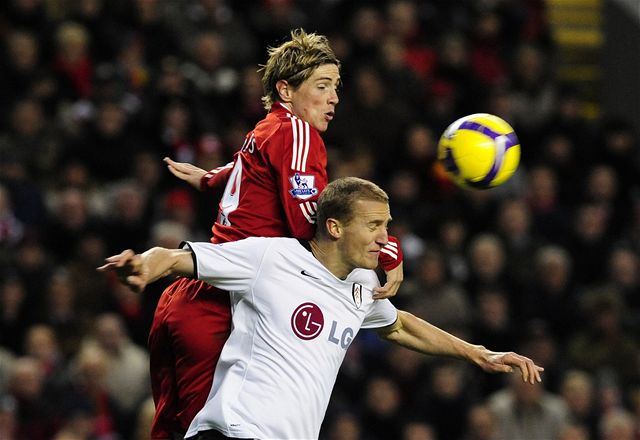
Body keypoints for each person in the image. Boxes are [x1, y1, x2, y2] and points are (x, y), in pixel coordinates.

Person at [99, 177, 544, 440]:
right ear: (333, 227)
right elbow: (179, 257)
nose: (385, 239)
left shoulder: (361, 286)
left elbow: (400, 327)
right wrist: (142, 265)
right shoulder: (272, 259)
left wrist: (477, 353)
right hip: (234, 433)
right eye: (373, 225)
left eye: (387, 226)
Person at [149, 29, 404, 439]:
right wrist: (387, 249)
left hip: (185, 296)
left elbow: (249, 172)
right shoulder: (301, 133)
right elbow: (314, 224)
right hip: (223, 304)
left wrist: (211, 179)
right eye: (322, 86)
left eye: (336, 87)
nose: (334, 98)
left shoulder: (266, 128)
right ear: (285, 90)